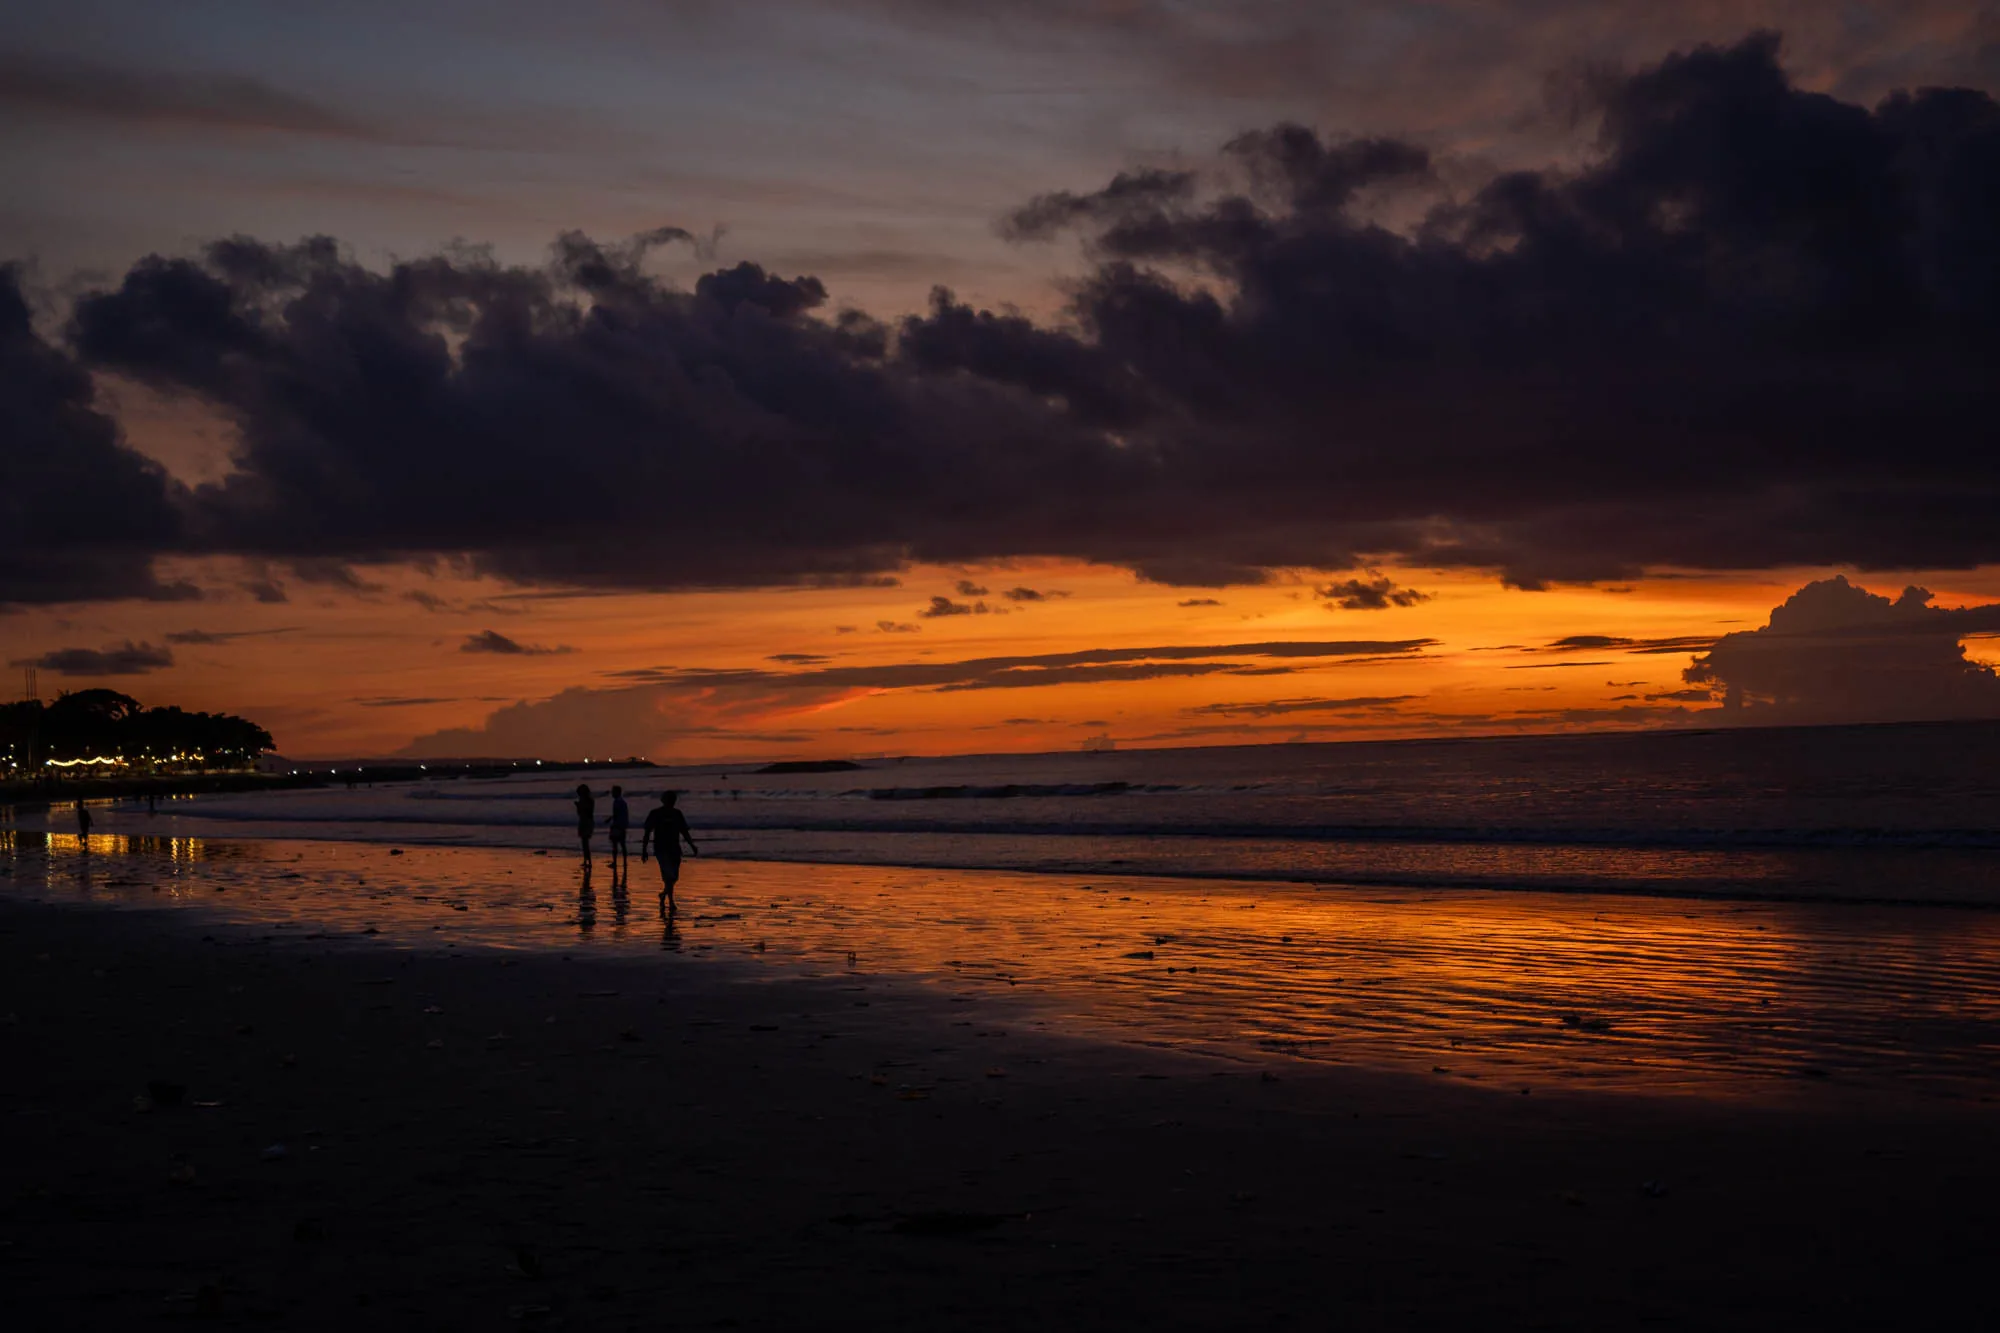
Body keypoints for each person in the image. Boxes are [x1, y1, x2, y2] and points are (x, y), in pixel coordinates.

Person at [640, 791, 698, 912]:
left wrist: (692, 845)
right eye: (669, 799)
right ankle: (671, 902)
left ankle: (663, 894)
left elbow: (684, 831)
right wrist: (644, 850)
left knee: (674, 877)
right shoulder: (655, 813)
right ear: (663, 800)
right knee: (669, 876)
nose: (671, 802)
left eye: (673, 799)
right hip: (661, 848)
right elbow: (647, 832)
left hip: (675, 848)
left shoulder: (677, 814)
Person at [607, 785, 631, 873]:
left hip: (617, 825)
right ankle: (624, 862)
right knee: (622, 844)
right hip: (623, 825)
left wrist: (611, 821)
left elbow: (616, 814)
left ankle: (615, 862)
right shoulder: (623, 802)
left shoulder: (617, 802)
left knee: (615, 844)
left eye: (613, 792)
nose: (612, 793)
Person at [572, 784, 594, 862]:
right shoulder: (588, 800)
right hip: (585, 821)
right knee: (584, 842)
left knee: (585, 842)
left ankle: (587, 860)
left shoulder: (588, 801)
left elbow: (587, 812)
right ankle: (586, 859)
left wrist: (579, 806)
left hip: (586, 821)